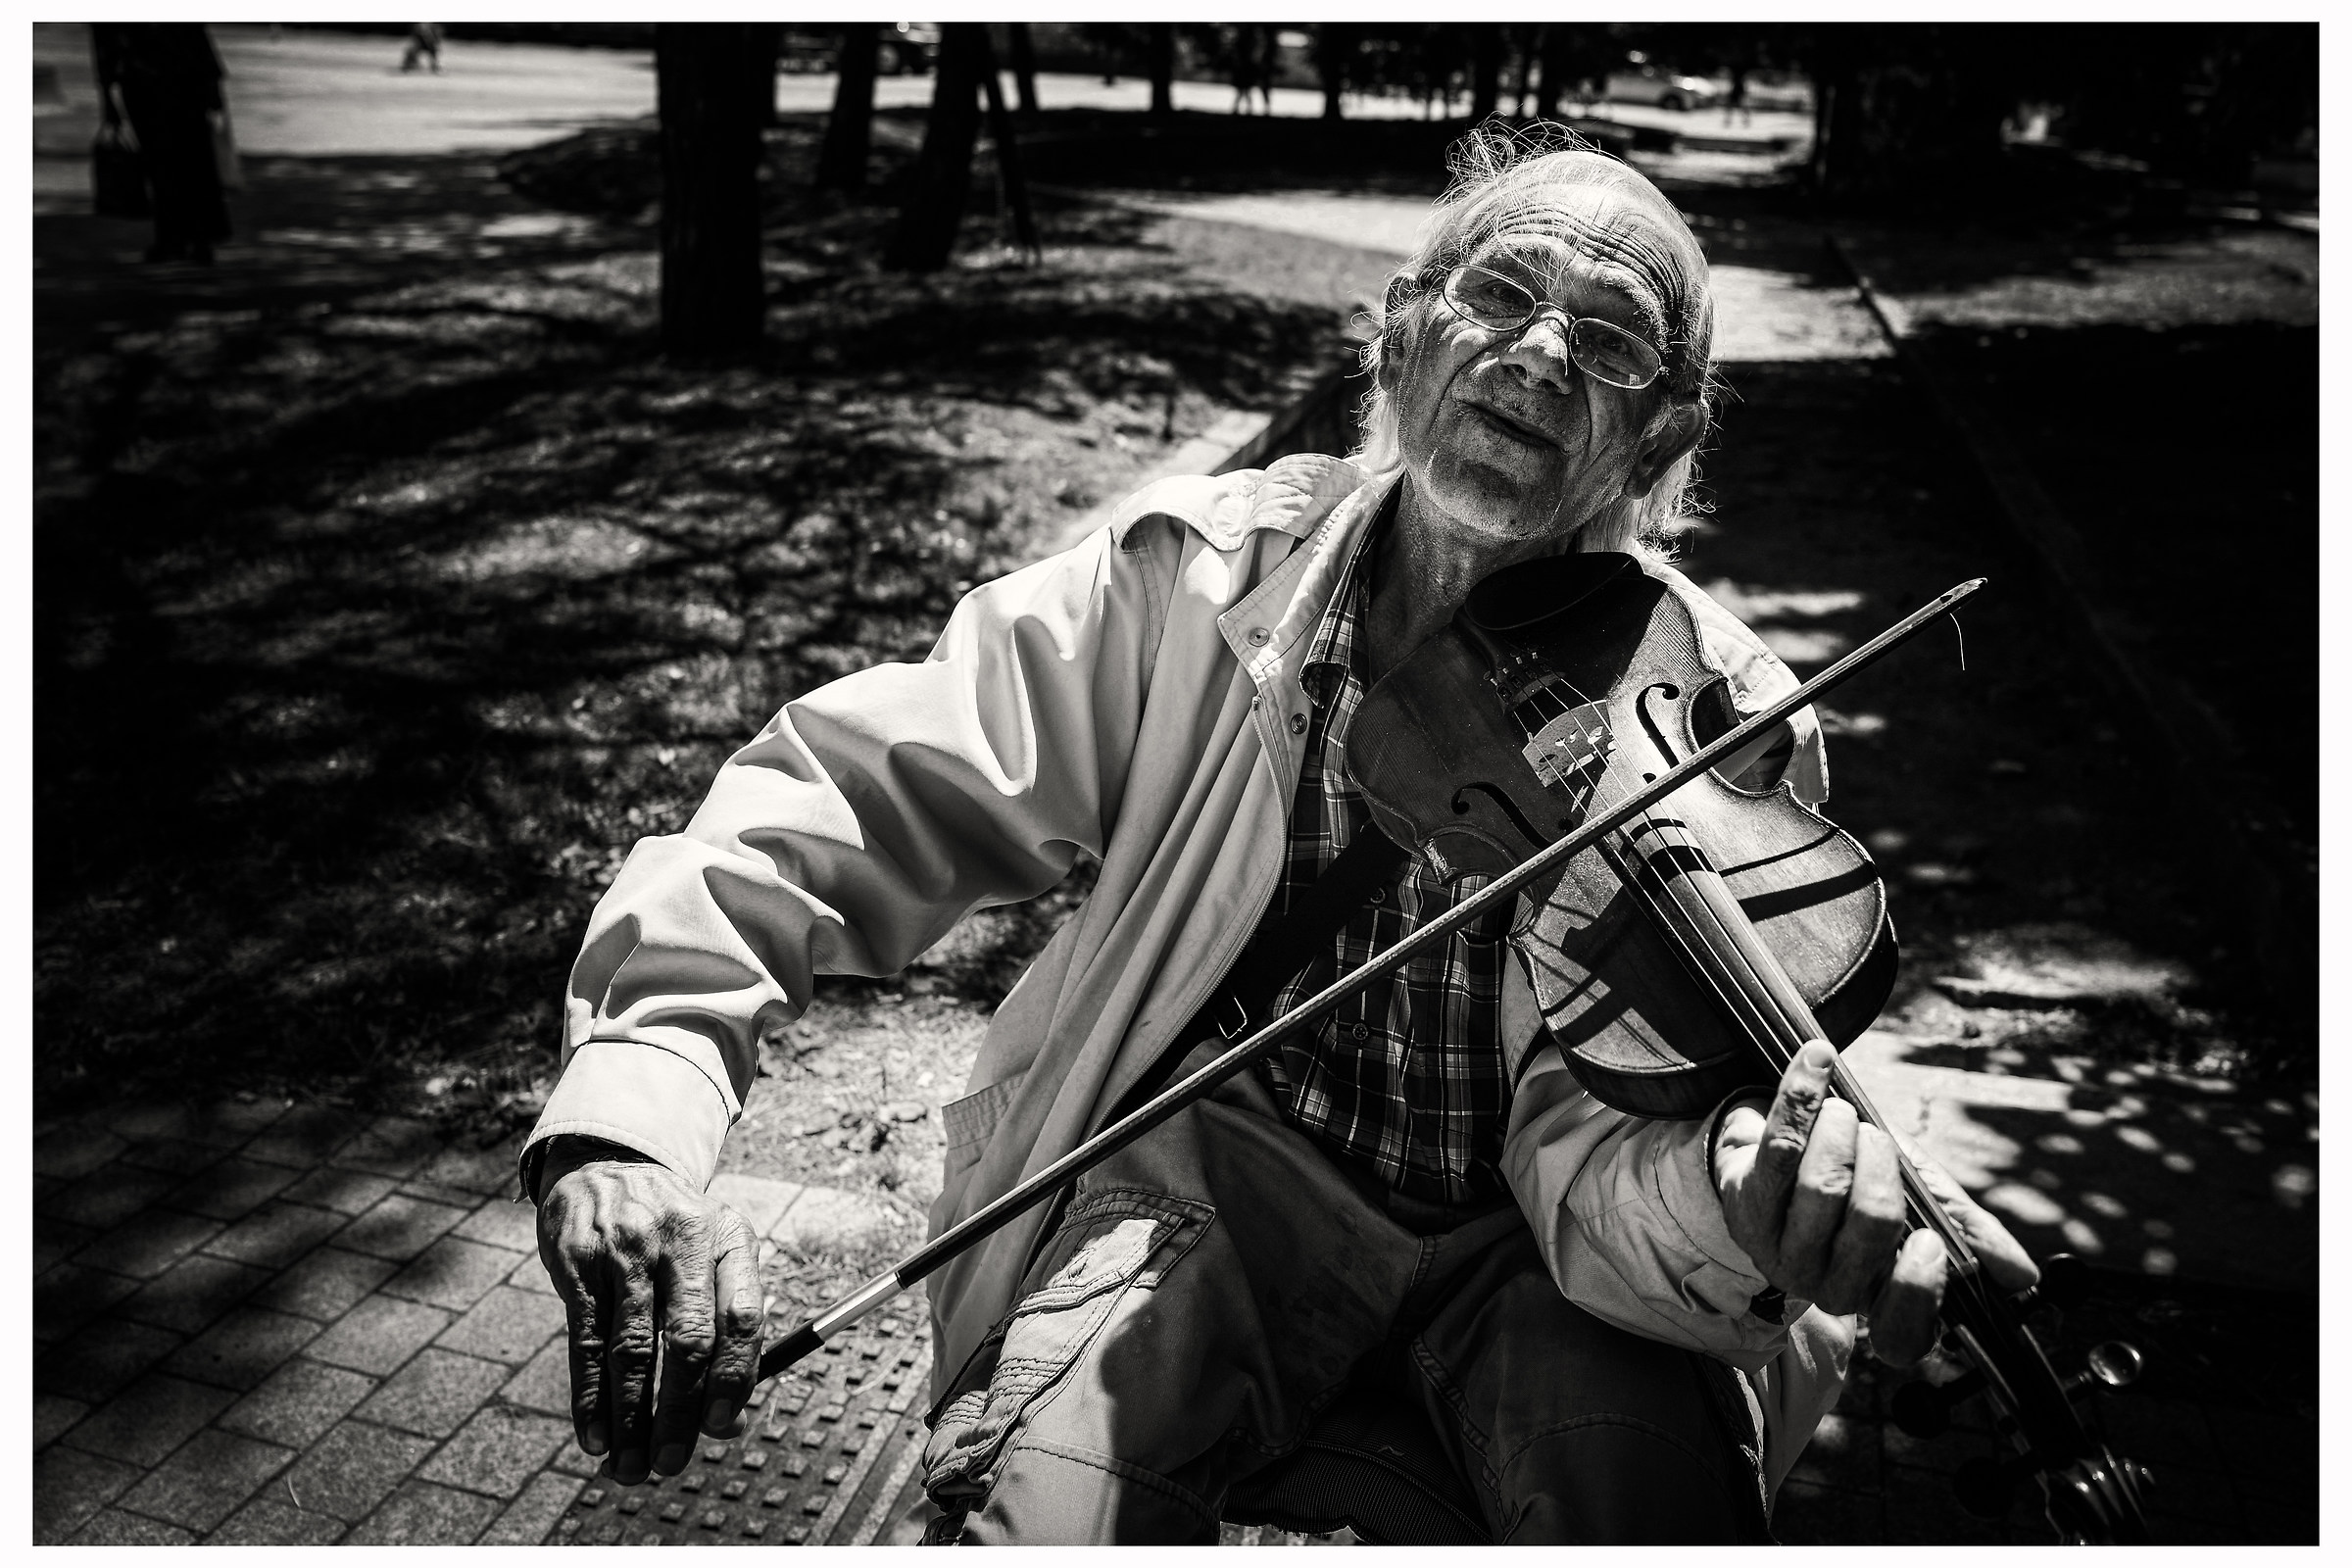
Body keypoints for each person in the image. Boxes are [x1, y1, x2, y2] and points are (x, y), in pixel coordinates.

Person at [523, 126, 2036, 1544]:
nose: (1541, 353)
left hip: (1543, 1247)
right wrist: (631, 1106)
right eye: (1500, 291)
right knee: (1013, 1510)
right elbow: (847, 792)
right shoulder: (1189, 580)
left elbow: (1647, 1153)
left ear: (1661, 438)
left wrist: (1748, 1206)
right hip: (1213, 1182)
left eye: (1614, 340)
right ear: (1400, 331)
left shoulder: (1727, 718)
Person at [89, 22, 230, 265]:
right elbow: (196, 36)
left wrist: (108, 99)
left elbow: (106, 42)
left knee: (163, 165)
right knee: (194, 161)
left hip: (146, 84)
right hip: (183, 81)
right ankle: (197, 237)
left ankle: (174, 239)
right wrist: (213, 86)